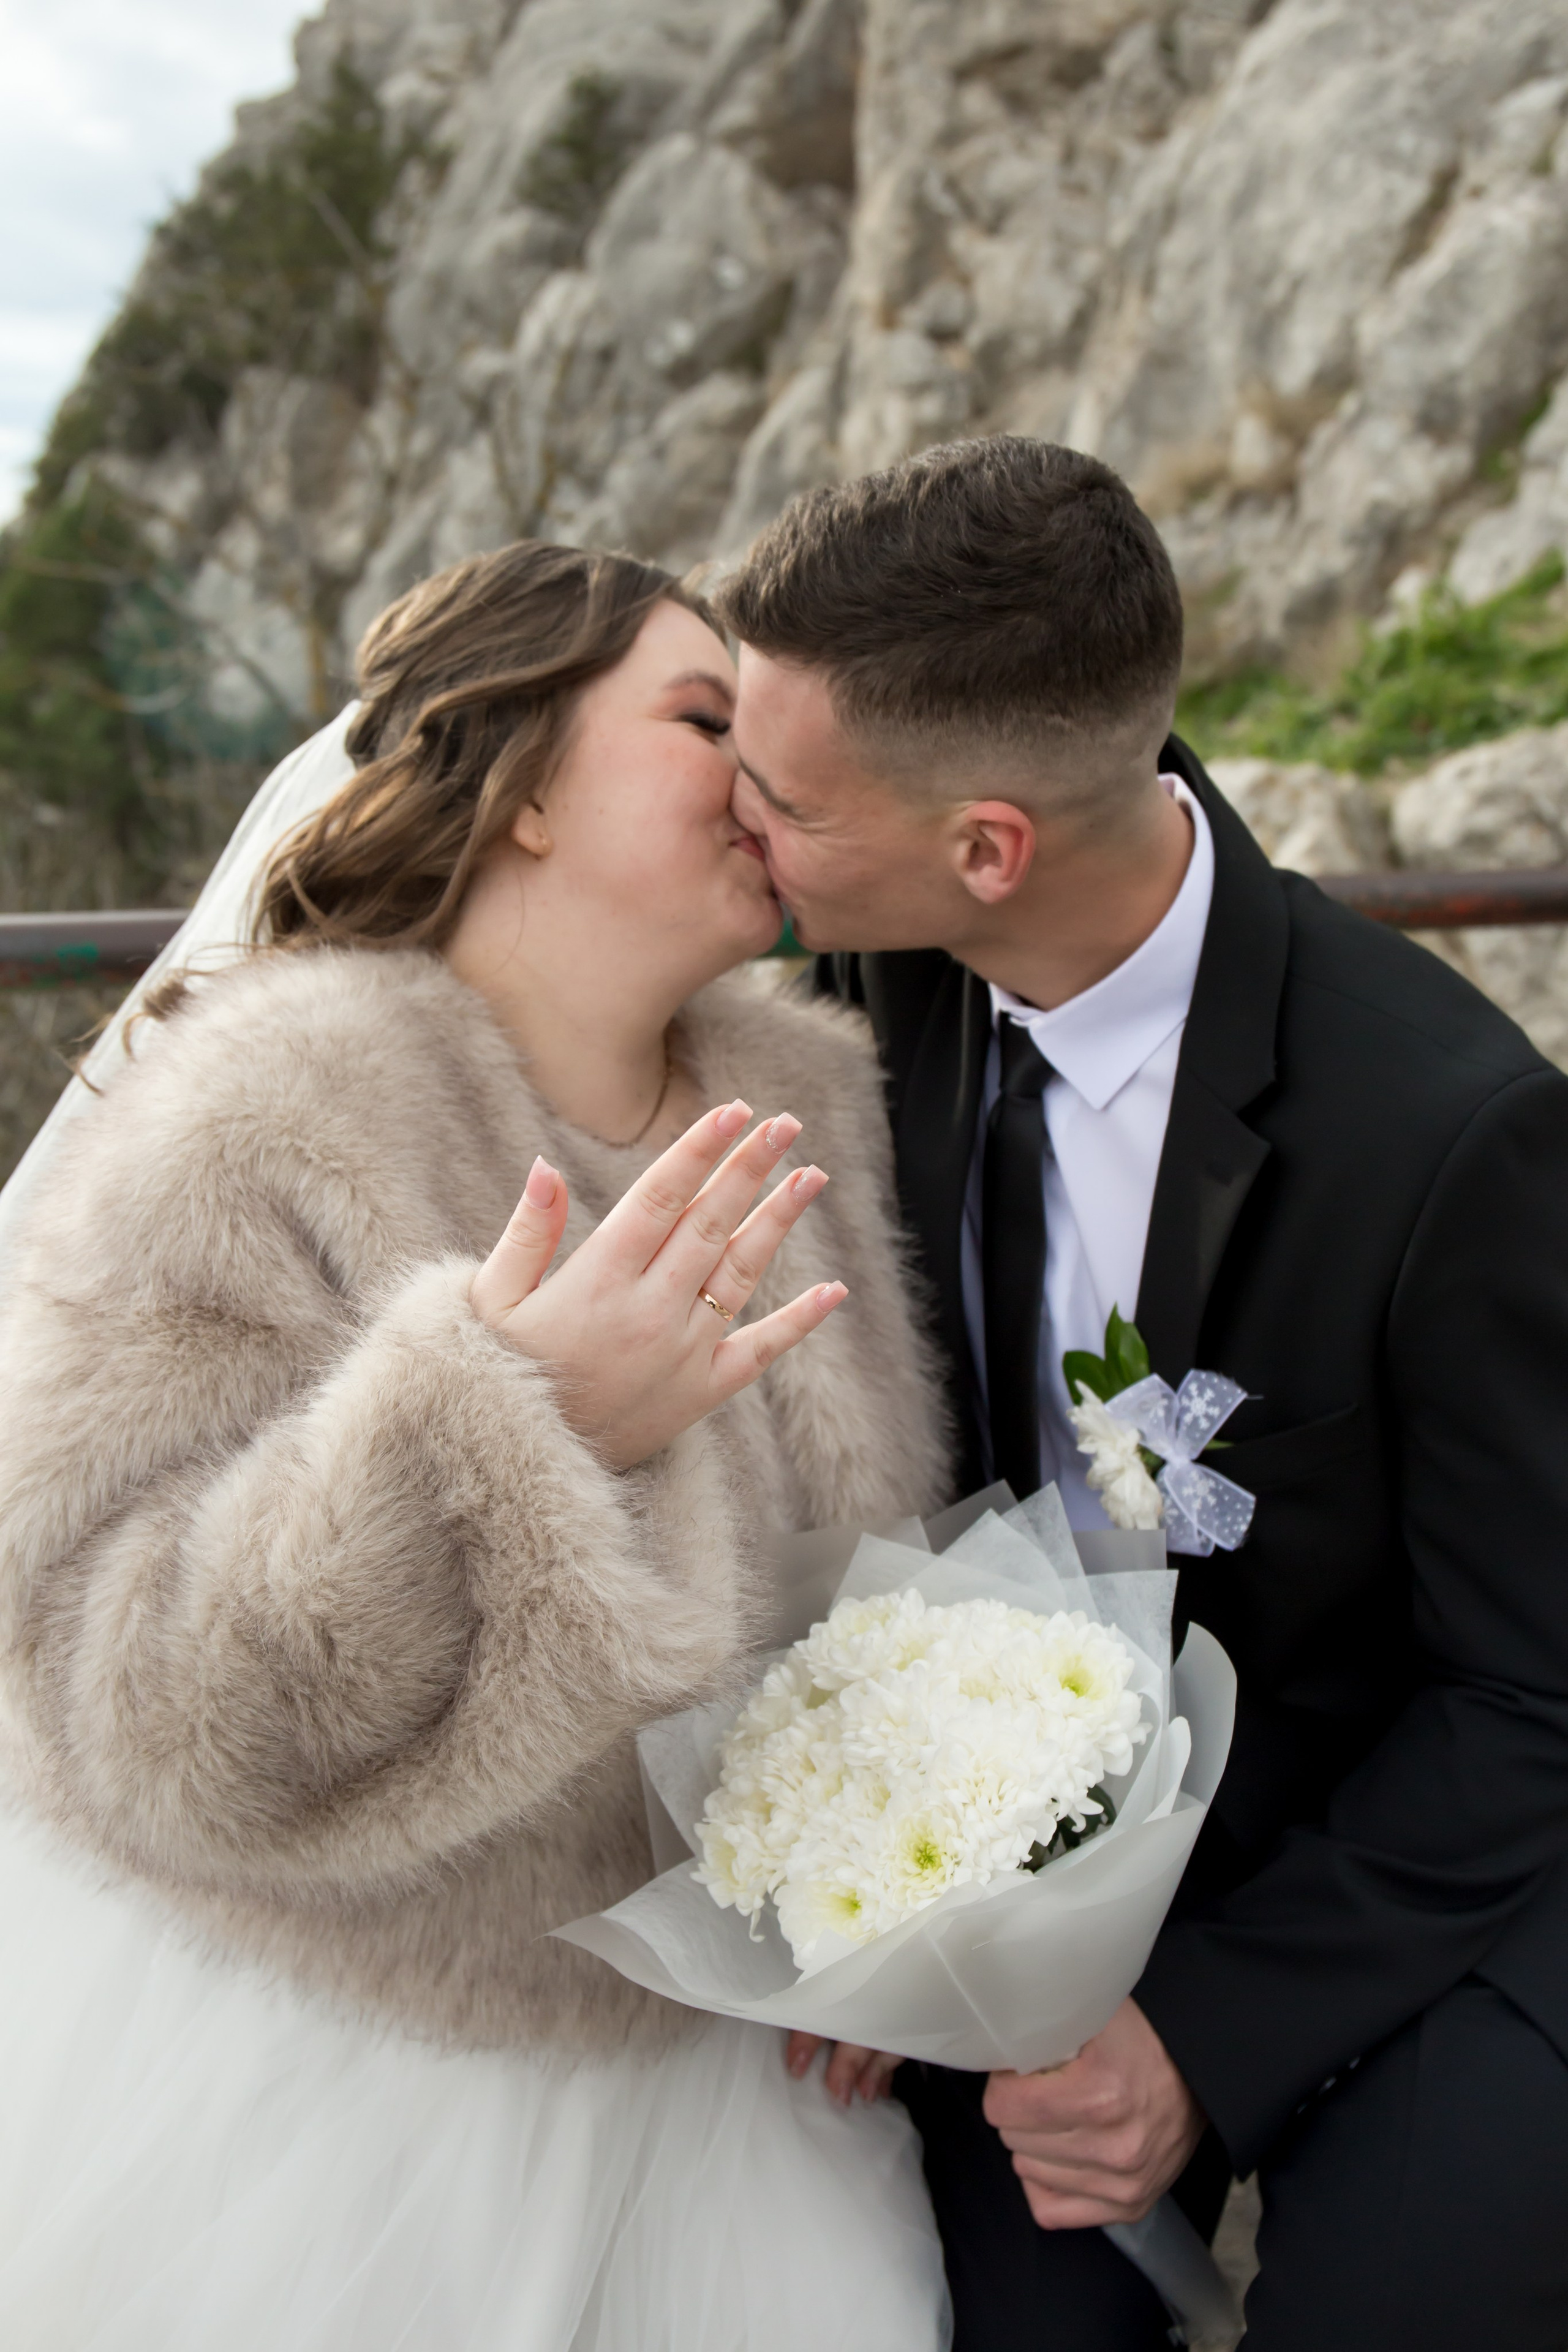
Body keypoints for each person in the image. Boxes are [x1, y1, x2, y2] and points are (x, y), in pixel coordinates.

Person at [0, 542, 954, 2350]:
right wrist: (512, 1435)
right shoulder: (264, 1105)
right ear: (520, 779)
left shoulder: (817, 1095)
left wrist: (914, 1898)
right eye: (702, 719)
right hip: (348, 2078)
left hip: (746, 2092)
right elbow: (112, 1693)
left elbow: (870, 1584)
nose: (765, 774)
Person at [718, 436, 1568, 2351]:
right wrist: (880, 1884)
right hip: (1037, 1828)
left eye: (776, 794)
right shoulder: (885, 988)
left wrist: (1201, 2036)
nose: (733, 819)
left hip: (1391, 1844)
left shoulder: (1451, 1138)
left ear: (988, 844)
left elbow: (1534, 1692)